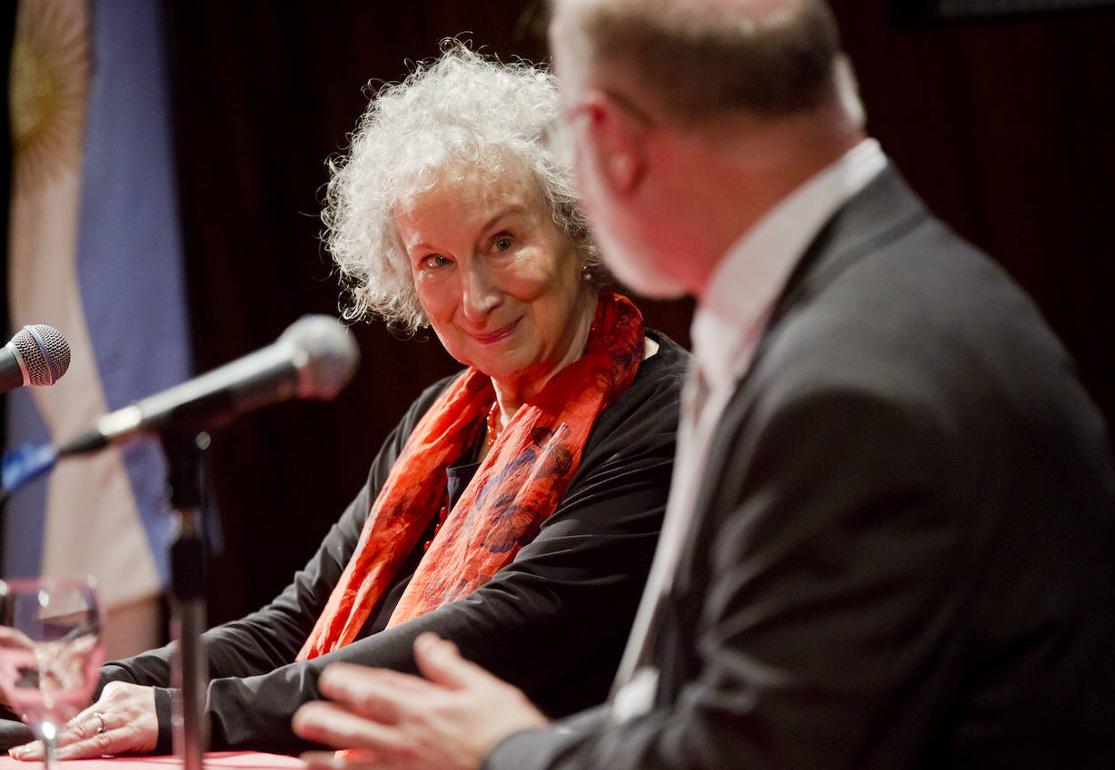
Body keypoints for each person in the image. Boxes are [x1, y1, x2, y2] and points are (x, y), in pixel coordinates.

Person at [290, 1, 1115, 768]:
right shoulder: (889, 293)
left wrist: (503, 754)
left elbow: (757, 756)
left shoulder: (848, 386)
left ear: (605, 145)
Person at [7, 42, 686, 760]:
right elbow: (296, 621)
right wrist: (89, 691)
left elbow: (470, 644)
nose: (476, 298)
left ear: (575, 225)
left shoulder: (660, 417)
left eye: (505, 241)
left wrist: (187, 713)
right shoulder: (442, 418)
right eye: (437, 263)